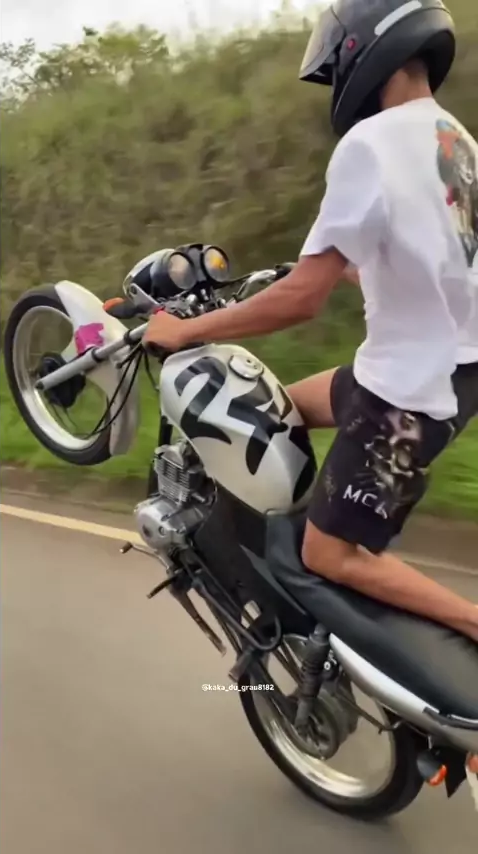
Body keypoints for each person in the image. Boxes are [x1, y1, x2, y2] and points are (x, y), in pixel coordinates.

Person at [144, 1, 478, 645]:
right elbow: (445, 256)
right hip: (445, 370)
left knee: (330, 553)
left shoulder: (370, 143)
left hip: (407, 399)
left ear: (364, 52)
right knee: (274, 411)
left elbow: (301, 300)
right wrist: (357, 269)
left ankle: (469, 625)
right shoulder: (453, 139)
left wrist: (187, 331)